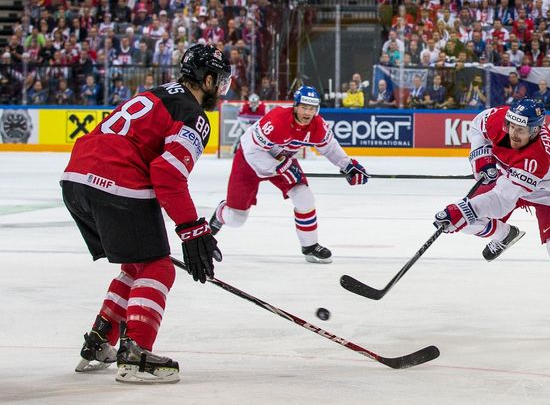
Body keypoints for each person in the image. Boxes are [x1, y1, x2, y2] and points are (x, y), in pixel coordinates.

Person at [61, 44, 231, 383]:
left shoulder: (156, 94)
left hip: (76, 180)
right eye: (221, 82)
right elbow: (167, 173)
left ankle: (100, 341)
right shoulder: (192, 114)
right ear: (208, 79)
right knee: (158, 267)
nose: (222, 90)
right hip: (115, 181)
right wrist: (192, 229)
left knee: (137, 265)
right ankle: (136, 352)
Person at [433, 98, 550, 339]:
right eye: (511, 126)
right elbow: (478, 123)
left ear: (535, 130)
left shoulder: (536, 156)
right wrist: (480, 155)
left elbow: (501, 202)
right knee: (465, 221)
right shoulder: (503, 119)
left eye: (520, 130)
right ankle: (503, 234)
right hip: (510, 180)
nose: (512, 133)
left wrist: (462, 209)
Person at [209, 85, 370, 264]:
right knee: (236, 219)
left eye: (312, 108)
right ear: (295, 106)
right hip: (249, 161)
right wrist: (282, 166)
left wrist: (348, 166)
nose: (307, 113)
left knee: (304, 196)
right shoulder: (277, 120)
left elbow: (330, 148)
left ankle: (310, 246)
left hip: (281, 161)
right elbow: (254, 152)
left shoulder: (317, 125)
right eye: (304, 107)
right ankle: (221, 212)